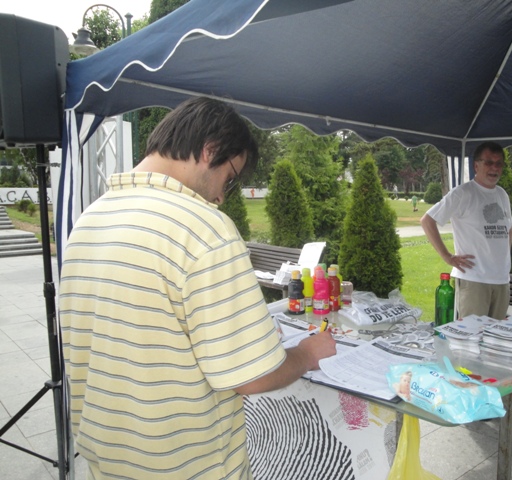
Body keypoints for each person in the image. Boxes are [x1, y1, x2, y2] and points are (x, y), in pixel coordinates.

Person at [59, 97, 337, 479]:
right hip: (187, 465)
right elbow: (251, 377)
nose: (223, 195)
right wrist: (307, 354)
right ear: (210, 151)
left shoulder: (90, 218)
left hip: (107, 460)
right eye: (231, 177)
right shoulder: (205, 229)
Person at [421, 141, 512, 320]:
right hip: (474, 281)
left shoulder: (502, 194)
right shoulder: (463, 193)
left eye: (498, 163)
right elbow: (427, 221)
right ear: (476, 165)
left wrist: (503, 256)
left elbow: (509, 228)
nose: (494, 168)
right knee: (471, 340)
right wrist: (447, 256)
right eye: (488, 162)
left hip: (502, 281)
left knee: (497, 340)